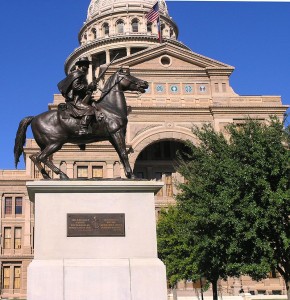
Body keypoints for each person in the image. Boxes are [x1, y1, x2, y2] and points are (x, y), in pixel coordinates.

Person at [57, 57, 97, 135]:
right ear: (82, 65)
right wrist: (88, 87)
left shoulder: (81, 74)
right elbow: (75, 86)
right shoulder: (77, 74)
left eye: (88, 65)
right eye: (86, 65)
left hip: (80, 98)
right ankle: (83, 128)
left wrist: (91, 89)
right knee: (90, 109)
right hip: (75, 100)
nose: (88, 67)